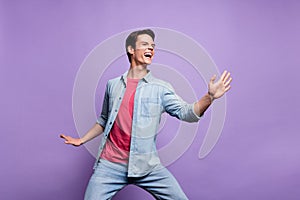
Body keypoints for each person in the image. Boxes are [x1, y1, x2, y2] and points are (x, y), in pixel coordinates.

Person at [60, 29, 232, 200]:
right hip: (109, 165)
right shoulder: (112, 85)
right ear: (131, 49)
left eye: (153, 46)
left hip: (147, 166)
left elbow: (186, 113)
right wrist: (81, 140)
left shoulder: (161, 88)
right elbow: (104, 120)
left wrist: (209, 97)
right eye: (145, 44)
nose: (151, 48)